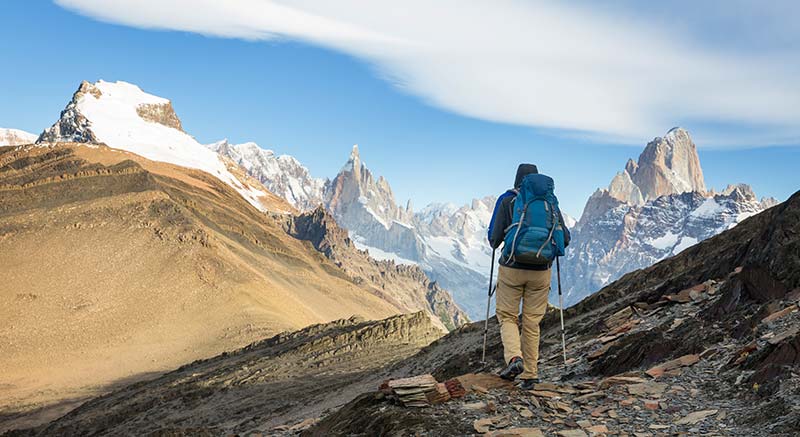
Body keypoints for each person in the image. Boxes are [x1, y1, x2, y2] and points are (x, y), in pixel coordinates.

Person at [487, 163, 570, 390]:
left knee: (507, 316)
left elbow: (494, 239)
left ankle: (514, 359)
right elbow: (566, 238)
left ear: (517, 180)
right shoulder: (550, 203)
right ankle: (531, 375)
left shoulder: (507, 200)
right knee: (532, 322)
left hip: (512, 268)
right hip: (541, 272)